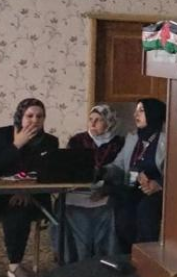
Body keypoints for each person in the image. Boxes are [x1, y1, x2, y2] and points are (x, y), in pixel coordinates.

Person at [0, 98, 59, 277]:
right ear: (20, 116)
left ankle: (14, 266)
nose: (35, 120)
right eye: (30, 116)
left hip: (30, 196)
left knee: (17, 214)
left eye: (40, 116)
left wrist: (27, 191)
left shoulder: (49, 141)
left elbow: (46, 174)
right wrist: (16, 145)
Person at [52, 104, 125, 263]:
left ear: (109, 122)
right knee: (64, 208)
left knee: (109, 210)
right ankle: (71, 257)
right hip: (78, 190)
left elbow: (121, 172)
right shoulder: (77, 141)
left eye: (99, 120)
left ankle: (105, 257)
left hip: (106, 191)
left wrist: (106, 189)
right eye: (90, 119)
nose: (93, 123)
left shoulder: (119, 143)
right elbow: (68, 169)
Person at [105, 98, 166, 253]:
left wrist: (158, 184)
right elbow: (118, 165)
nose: (135, 114)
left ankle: (147, 256)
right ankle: (124, 255)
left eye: (141, 110)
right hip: (130, 186)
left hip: (155, 192)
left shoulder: (167, 141)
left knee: (146, 209)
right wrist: (101, 171)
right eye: (136, 110)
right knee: (119, 205)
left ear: (153, 114)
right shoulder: (132, 138)